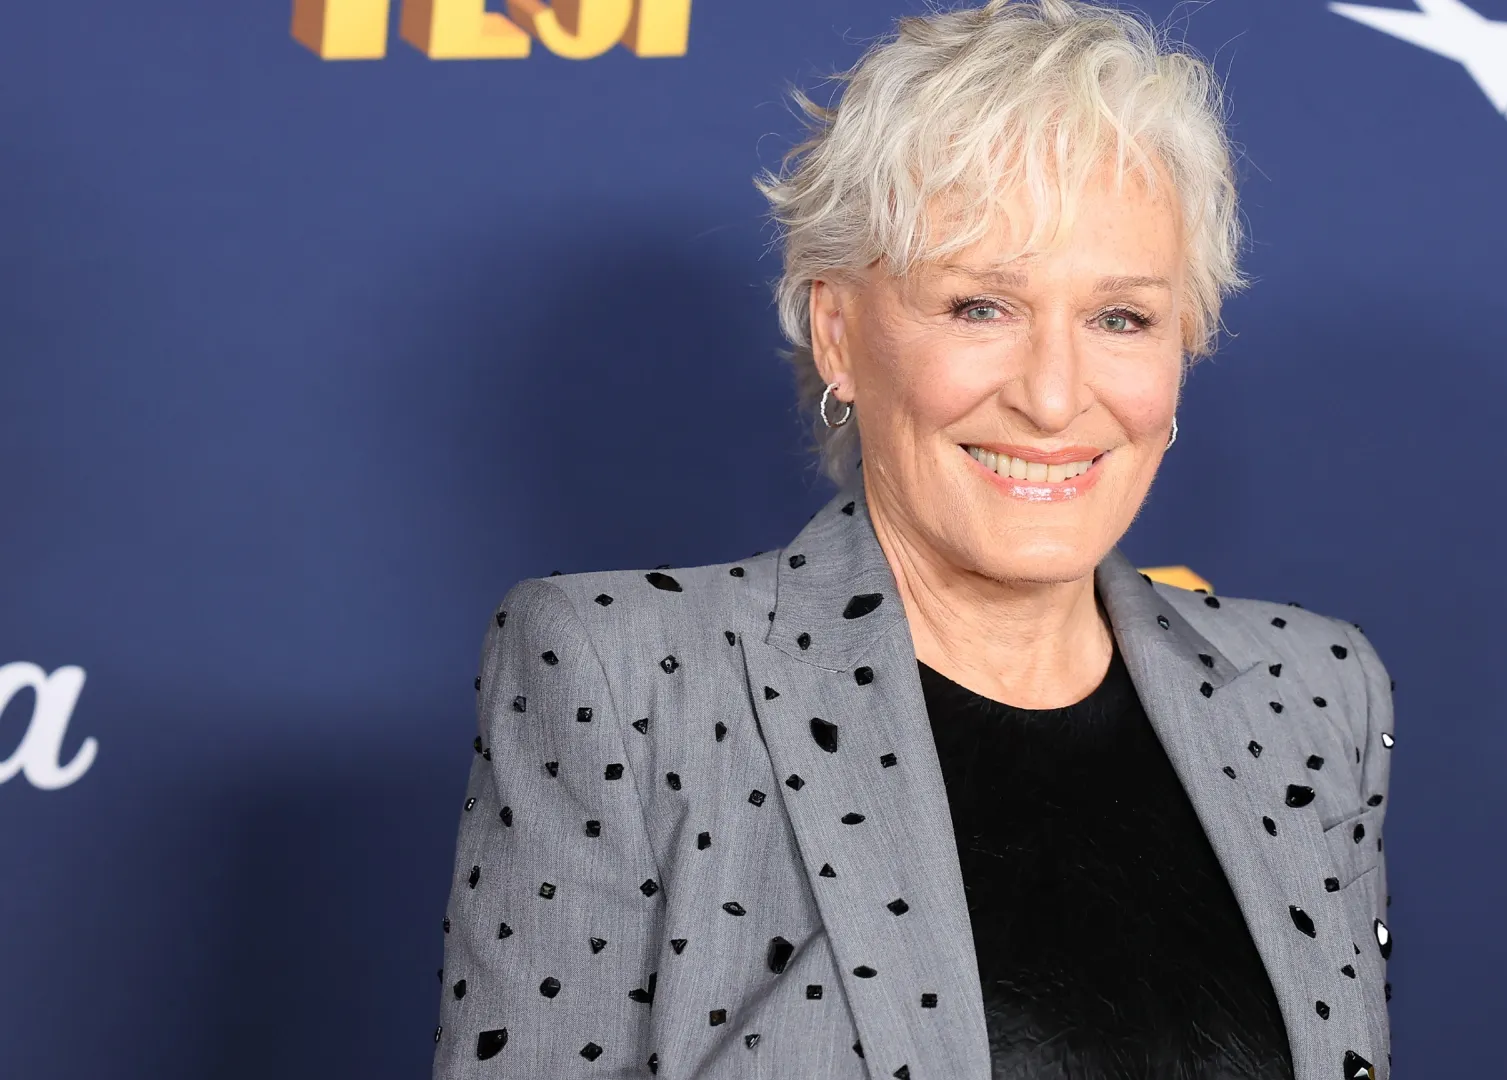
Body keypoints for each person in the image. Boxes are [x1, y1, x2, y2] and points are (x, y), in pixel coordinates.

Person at [431, 1, 1395, 1076]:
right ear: (840, 333)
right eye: (982, 306)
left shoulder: (1309, 694)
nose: (1053, 395)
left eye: (1120, 318)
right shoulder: (632, 677)